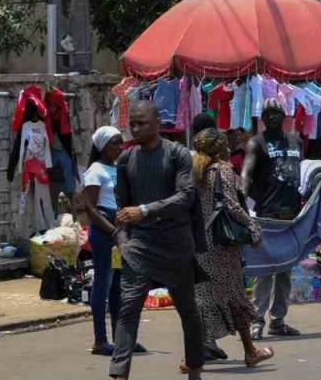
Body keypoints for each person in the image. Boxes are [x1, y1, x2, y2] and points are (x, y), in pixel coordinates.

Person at [109, 100, 205, 380]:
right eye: (132, 124)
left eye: (142, 123)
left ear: (158, 123)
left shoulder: (177, 155)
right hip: (139, 246)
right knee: (128, 308)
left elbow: (186, 196)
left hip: (175, 244)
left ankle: (195, 368)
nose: (136, 129)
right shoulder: (126, 160)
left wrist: (146, 210)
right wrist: (123, 242)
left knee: (188, 310)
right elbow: (122, 208)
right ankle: (119, 373)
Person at [189, 129, 273, 369]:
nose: (229, 149)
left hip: (200, 243)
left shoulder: (195, 172)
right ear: (219, 148)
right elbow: (231, 205)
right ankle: (250, 351)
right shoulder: (223, 170)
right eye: (226, 145)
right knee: (235, 296)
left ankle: (192, 356)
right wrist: (252, 225)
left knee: (202, 299)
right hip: (221, 244)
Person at [80, 126, 145, 357]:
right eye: (114, 143)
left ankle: (121, 339)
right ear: (102, 146)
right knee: (103, 285)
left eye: (120, 142)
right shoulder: (96, 171)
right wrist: (112, 231)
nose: (119, 147)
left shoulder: (116, 168)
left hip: (119, 230)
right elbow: (90, 207)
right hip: (104, 231)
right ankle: (100, 340)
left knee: (118, 286)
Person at [243, 99, 304, 340]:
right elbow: (246, 175)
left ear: (284, 115)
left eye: (275, 113)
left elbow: (302, 171)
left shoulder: (296, 140)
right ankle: (257, 320)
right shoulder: (256, 142)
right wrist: (240, 205)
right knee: (265, 269)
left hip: (292, 213)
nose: (271, 117)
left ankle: (278, 320)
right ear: (262, 118)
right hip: (268, 213)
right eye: (267, 114)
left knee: (286, 269)